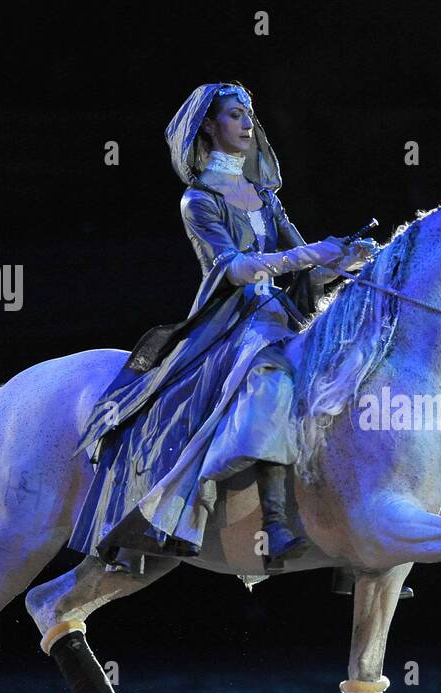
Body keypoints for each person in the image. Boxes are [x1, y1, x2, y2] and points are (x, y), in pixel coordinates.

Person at [69, 82, 375, 573]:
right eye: (235, 115)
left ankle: (357, 521)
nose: (248, 124)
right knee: (270, 371)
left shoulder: (262, 197)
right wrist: (307, 254)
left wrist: (343, 260)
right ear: (209, 126)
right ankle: (272, 519)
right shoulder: (199, 199)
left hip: (281, 311)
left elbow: (305, 271)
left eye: (249, 115)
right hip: (235, 319)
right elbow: (232, 268)